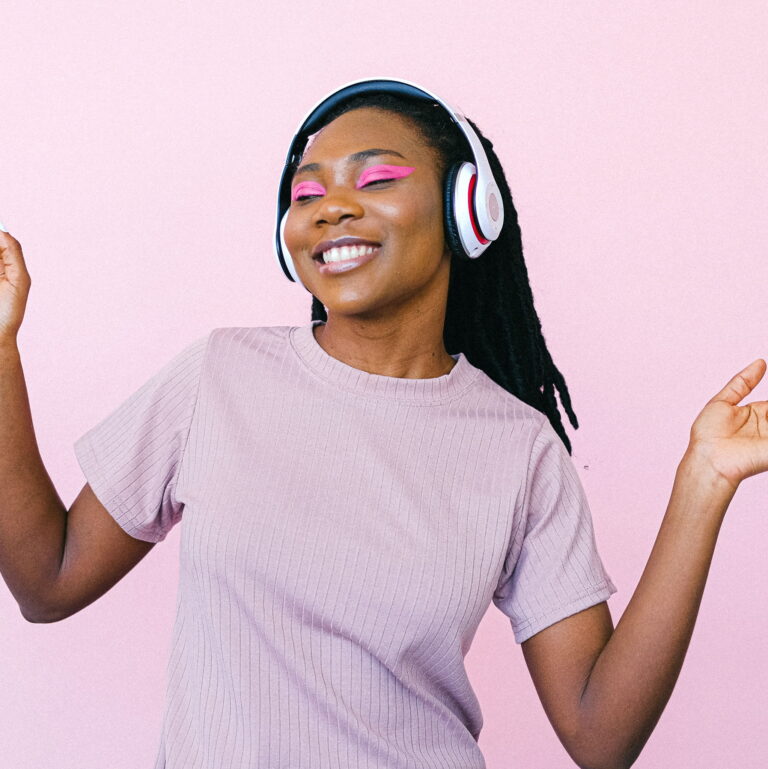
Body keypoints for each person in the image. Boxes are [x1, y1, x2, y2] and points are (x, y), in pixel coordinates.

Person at [0, 79, 765, 769]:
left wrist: (703, 483)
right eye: (306, 193)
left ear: (469, 210)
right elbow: (47, 578)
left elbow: (602, 737)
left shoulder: (518, 448)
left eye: (378, 179)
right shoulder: (217, 376)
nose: (331, 204)